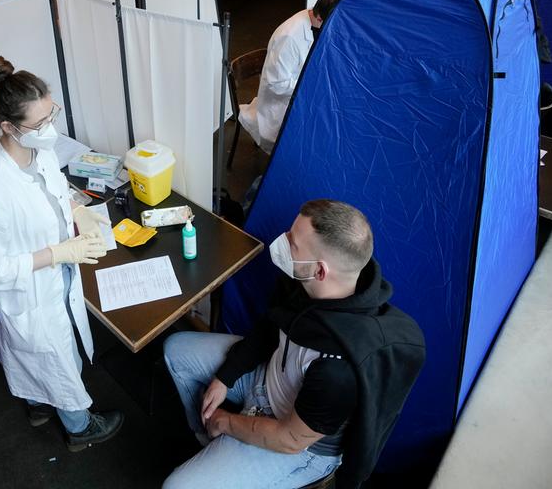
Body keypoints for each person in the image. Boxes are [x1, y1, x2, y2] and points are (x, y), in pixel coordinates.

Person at [162, 199, 426, 489]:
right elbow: (270, 325)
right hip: (270, 377)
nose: (282, 244)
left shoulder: (340, 369)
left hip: (298, 441)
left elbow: (288, 439)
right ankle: (207, 441)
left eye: (292, 243)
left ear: (321, 271)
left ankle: (224, 451)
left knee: (176, 487)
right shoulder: (306, 281)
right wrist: (226, 376)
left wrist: (225, 421)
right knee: (176, 350)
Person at [0, 56, 123, 452]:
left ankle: (38, 405)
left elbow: (54, 188)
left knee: (36, 359)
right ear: (8, 126)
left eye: (51, 115)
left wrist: (78, 211)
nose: (49, 129)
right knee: (54, 358)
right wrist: (57, 253)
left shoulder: (40, 148)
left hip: (55, 278)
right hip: (30, 292)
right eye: (40, 124)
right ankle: (80, 428)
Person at [238, 0, 337, 154]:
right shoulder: (289, 37)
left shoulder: (312, 16)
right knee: (317, 129)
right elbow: (277, 84)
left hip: (295, 93)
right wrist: (310, 86)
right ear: (319, 17)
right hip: (278, 104)